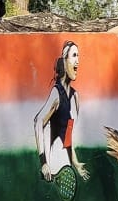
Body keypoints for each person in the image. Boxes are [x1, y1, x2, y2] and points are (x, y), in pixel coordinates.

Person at [34, 40, 90, 182]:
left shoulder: (75, 97)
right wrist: (43, 162)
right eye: (74, 55)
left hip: (67, 170)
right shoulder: (56, 93)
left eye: (79, 56)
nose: (78, 61)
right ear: (64, 61)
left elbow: (68, 135)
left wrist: (76, 163)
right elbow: (38, 121)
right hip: (52, 171)